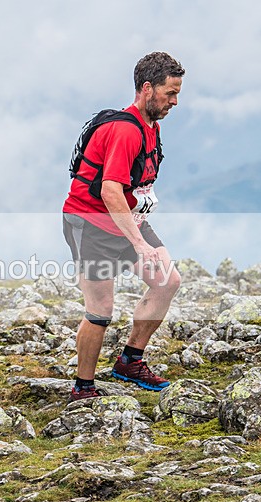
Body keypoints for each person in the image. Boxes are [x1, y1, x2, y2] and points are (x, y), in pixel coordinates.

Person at [62, 52, 185, 400]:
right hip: (90, 223)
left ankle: (130, 361)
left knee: (167, 280)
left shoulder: (151, 127)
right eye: (170, 93)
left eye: (177, 94)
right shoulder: (124, 130)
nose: (174, 101)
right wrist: (140, 243)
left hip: (126, 219)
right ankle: (83, 388)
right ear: (147, 88)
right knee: (101, 309)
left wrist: (138, 230)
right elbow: (110, 190)